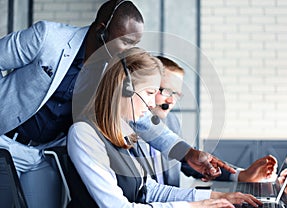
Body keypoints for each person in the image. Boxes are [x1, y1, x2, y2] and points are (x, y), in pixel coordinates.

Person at [0, 0, 235, 206]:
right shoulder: (48, 37)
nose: (127, 52)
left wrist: (188, 153)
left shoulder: (111, 71)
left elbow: (142, 117)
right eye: (125, 43)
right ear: (101, 31)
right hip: (4, 140)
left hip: (42, 154)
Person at [67, 47, 262, 208]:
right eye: (150, 92)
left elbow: (149, 190)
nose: (152, 103)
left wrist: (214, 197)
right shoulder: (85, 134)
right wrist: (196, 206)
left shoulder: (122, 131)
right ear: (124, 88)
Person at [137, 56, 277, 186]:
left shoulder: (171, 121)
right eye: (166, 91)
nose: (171, 101)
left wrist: (241, 175)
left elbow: (187, 162)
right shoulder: (126, 127)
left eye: (176, 94)